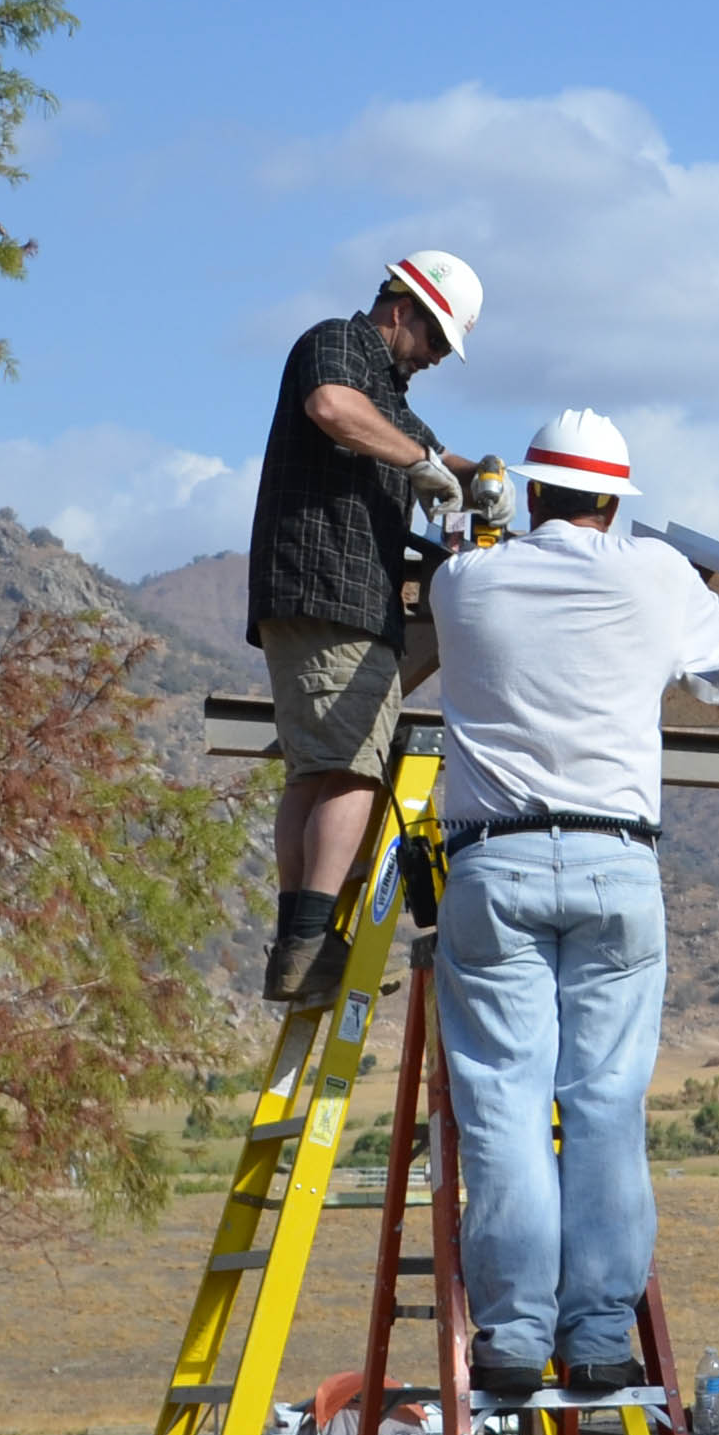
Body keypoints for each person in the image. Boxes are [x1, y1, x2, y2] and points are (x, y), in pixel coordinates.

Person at [420, 407, 719, 1402]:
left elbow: (458, 582)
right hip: (615, 862)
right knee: (603, 1107)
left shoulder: (463, 580)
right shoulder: (655, 573)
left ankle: (514, 1340)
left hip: (496, 861)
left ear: (529, 492)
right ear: (612, 500)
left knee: (503, 1105)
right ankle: (600, 1339)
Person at [243, 251, 486, 1000]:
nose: (438, 358)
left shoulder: (389, 389)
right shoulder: (336, 344)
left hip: (327, 596)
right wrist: (418, 462)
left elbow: (434, 451)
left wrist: (484, 480)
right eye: (437, 340)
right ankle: (311, 944)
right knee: (350, 766)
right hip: (329, 590)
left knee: (319, 772)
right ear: (403, 309)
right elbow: (333, 410)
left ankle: (300, 944)